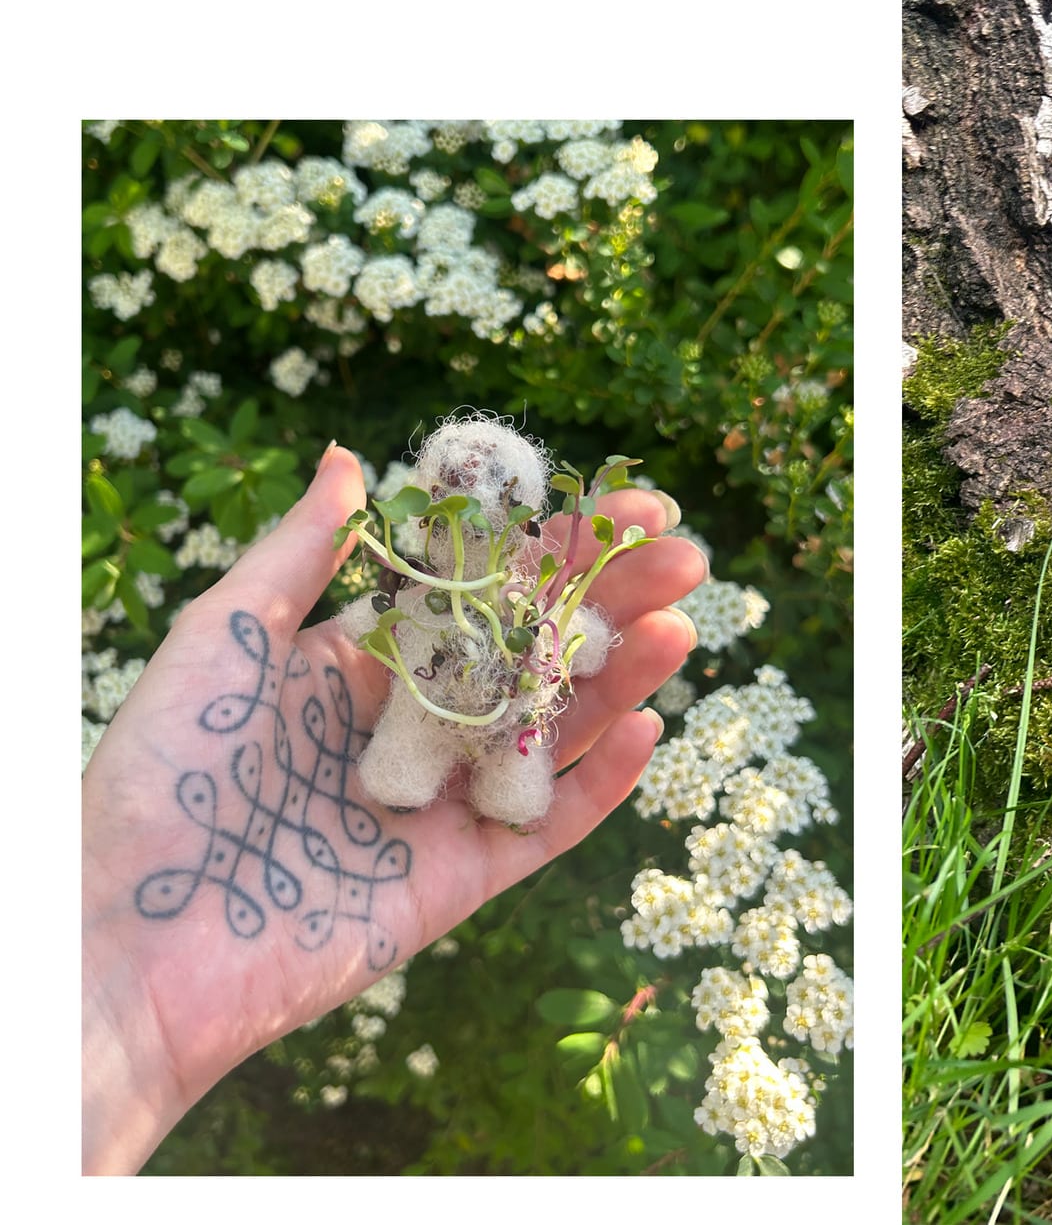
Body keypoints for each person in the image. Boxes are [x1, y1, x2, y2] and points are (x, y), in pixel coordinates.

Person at [80, 445, 708, 1174]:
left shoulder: (529, 599)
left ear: (525, 508)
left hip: (514, 718)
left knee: (517, 760)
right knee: (408, 742)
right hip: (420, 708)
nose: (474, 508)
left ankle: (502, 778)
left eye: (495, 494)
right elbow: (366, 618)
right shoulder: (422, 590)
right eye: (455, 492)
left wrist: (574, 633)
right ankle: (414, 772)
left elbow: (583, 634)